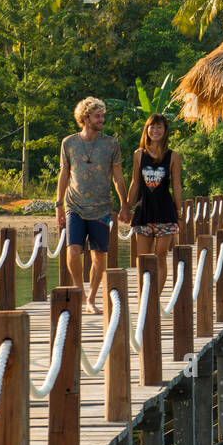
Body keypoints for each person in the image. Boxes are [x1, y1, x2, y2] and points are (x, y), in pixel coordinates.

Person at [55, 97, 131, 316]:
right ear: (85, 117)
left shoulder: (111, 144)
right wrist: (58, 205)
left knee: (99, 255)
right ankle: (79, 291)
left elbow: (118, 177)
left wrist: (124, 205)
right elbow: (64, 174)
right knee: (73, 251)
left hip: (102, 208)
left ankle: (91, 298)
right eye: (98, 116)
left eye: (102, 116)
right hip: (74, 206)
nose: (102, 120)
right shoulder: (68, 143)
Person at [126, 113, 184, 296]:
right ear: (147, 129)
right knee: (143, 259)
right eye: (152, 127)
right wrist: (126, 207)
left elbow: (176, 186)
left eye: (159, 127)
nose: (155, 130)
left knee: (160, 256)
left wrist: (179, 212)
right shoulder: (138, 154)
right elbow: (135, 183)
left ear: (165, 131)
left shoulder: (173, 156)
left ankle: (154, 298)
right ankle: (144, 297)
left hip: (165, 212)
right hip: (144, 211)